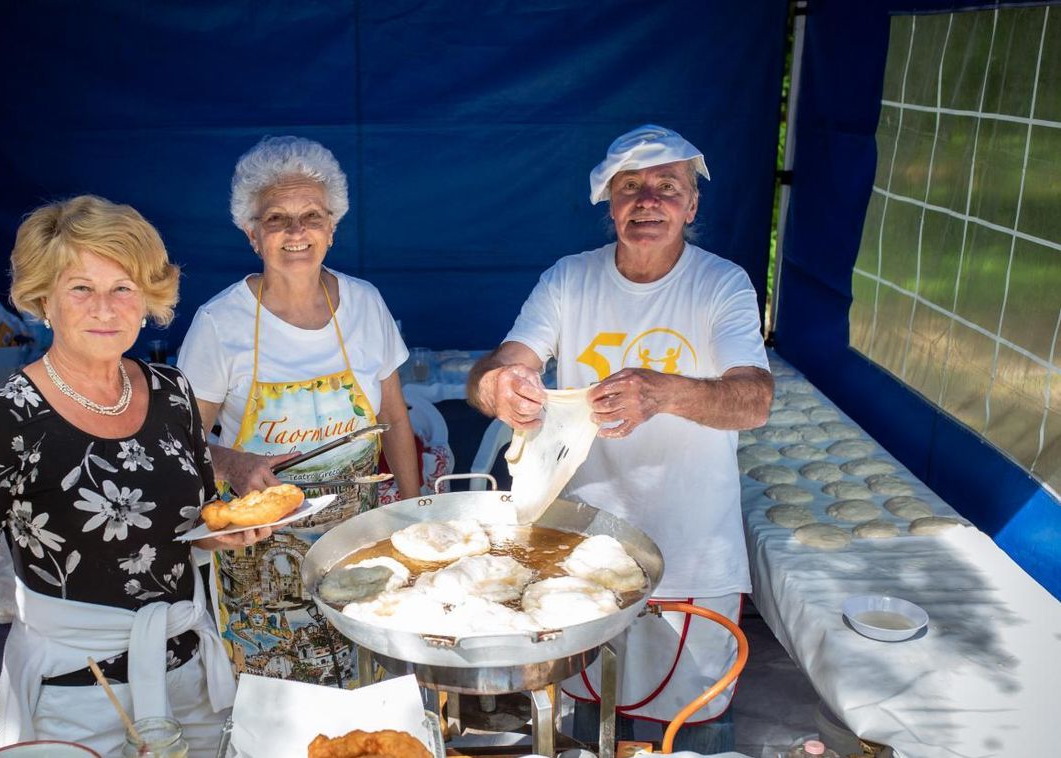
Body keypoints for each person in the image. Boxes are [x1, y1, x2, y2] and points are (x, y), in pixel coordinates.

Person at [0, 195, 266, 757]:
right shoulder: (4, 416)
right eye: (81, 288)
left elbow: (194, 522)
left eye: (123, 287)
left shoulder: (172, 393)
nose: (105, 307)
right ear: (44, 300)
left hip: (189, 676)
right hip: (77, 691)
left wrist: (227, 534)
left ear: (147, 298)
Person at [466, 125, 772, 752]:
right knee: (582, 728)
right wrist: (499, 386)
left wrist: (663, 393)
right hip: (578, 550)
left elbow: (754, 400)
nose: (648, 200)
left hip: (690, 552)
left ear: (692, 205)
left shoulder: (722, 285)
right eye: (630, 187)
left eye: (667, 187)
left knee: (688, 734)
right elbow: (498, 365)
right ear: (608, 203)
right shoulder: (569, 280)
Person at [178, 135, 421, 686]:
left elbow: (397, 420)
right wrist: (233, 463)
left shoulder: (366, 304)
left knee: (369, 698)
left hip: (363, 549)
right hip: (264, 559)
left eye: (311, 216)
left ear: (332, 228)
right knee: (279, 715)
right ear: (252, 233)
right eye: (277, 218)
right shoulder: (221, 324)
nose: (295, 233)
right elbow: (178, 441)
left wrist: (412, 515)